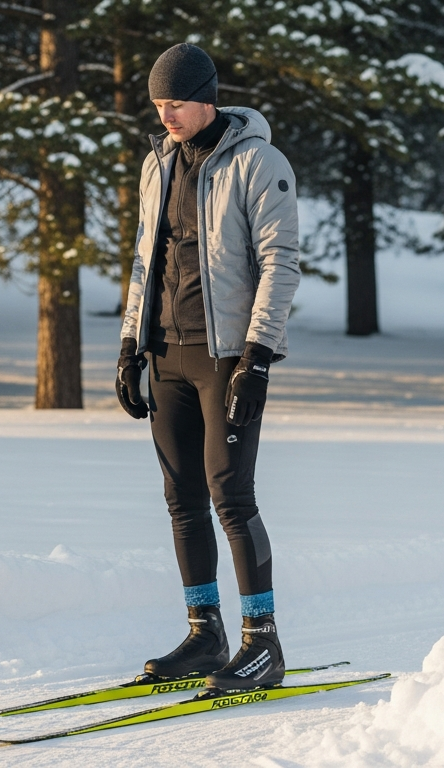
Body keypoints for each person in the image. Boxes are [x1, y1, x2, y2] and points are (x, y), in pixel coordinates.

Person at [115, 43, 301, 692]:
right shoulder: (156, 165)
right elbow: (145, 259)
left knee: (231, 496)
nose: (165, 115)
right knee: (181, 499)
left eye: (175, 103)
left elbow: (281, 263)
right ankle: (205, 635)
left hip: (226, 357)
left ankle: (262, 643)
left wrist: (258, 356)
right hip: (166, 353)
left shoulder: (257, 162)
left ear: (208, 98)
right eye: (158, 105)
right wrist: (128, 345)